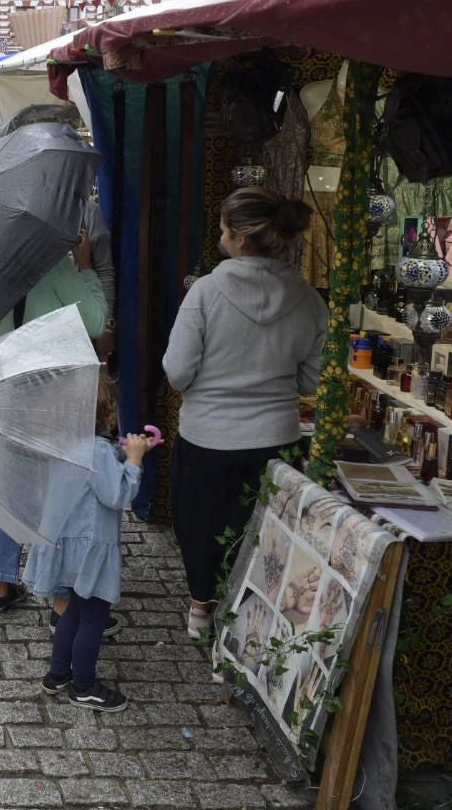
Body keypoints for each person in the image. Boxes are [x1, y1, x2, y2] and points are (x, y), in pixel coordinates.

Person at [162, 186, 325, 640]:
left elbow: (177, 372)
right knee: (262, 532)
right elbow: (313, 380)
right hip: (276, 436)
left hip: (208, 436)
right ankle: (250, 620)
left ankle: (201, 610)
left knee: (203, 524)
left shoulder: (206, 293)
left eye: (221, 227)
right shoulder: (309, 298)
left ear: (235, 236)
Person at [0, 232, 110, 621]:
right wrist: (85, 267)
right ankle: (60, 596)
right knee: (56, 485)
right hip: (47, 391)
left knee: (2, 481)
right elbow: (96, 321)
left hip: (0, 384)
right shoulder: (56, 269)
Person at [25, 425, 153, 712]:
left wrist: (124, 452)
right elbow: (116, 494)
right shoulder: (97, 450)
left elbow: (94, 469)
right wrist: (134, 462)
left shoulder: (61, 440)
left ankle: (57, 674)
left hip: (65, 543)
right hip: (88, 547)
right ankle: (83, 686)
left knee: (72, 609)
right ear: (105, 414)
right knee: (93, 616)